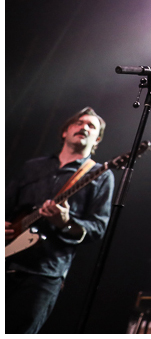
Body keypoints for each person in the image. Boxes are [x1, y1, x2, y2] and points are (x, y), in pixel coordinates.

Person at [6, 107, 114, 334]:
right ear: (65, 132)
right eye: (79, 123)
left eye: (91, 126)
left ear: (97, 139)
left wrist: (65, 222)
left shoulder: (101, 175)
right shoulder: (33, 167)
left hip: (44, 273)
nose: (84, 127)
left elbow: (97, 228)